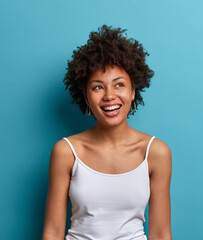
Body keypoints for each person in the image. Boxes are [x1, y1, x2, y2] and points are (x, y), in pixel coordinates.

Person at [42, 25, 172, 240]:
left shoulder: (156, 152)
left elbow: (160, 233)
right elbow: (53, 232)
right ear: (85, 97)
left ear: (132, 92)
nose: (109, 96)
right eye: (98, 87)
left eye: (119, 85)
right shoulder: (66, 151)